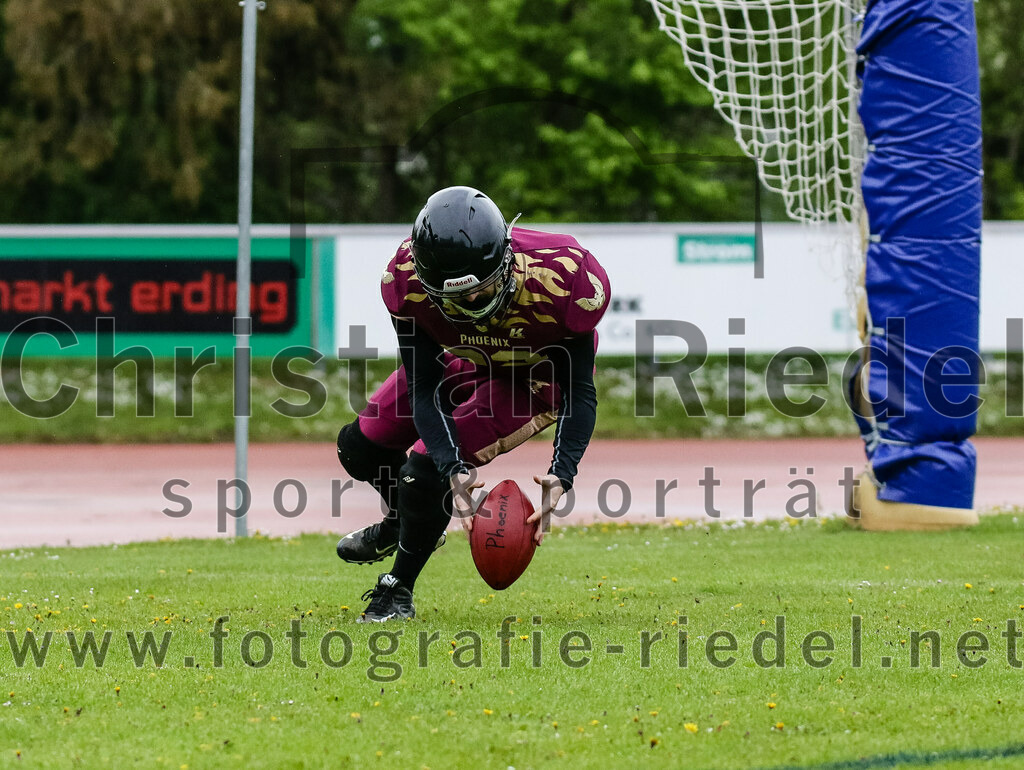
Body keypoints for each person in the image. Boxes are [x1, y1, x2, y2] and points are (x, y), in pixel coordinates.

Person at [335, 185, 611, 622]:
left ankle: (397, 589)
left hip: (533, 380)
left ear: (505, 263)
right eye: (451, 298)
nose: (466, 307)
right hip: (461, 358)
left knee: (421, 473)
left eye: (478, 292)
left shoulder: (564, 276)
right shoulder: (405, 281)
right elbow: (424, 387)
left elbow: (579, 390)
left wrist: (563, 474)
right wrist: (455, 470)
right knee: (359, 447)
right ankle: (402, 524)